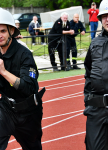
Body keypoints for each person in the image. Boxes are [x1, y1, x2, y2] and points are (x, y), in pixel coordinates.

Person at [0, 8, 45, 150]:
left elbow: (28, 87)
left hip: (29, 111)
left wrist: (4, 72)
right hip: (6, 109)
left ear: (11, 31)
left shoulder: (24, 54)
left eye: (3, 31)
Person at [84, 0, 108, 149]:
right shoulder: (95, 43)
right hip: (97, 110)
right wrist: (87, 99)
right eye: (104, 16)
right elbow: (88, 72)